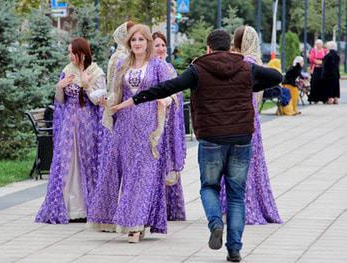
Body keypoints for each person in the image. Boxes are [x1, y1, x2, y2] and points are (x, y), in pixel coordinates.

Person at [111, 29, 282, 262]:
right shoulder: (245, 67)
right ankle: (234, 249)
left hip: (211, 138)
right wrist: (246, 85)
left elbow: (168, 87)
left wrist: (135, 99)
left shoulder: (198, 69)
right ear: (230, 47)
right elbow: (275, 77)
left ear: (208, 48)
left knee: (209, 187)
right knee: (236, 195)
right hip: (241, 138)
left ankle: (214, 224)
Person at [87, 24, 185, 243]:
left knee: (142, 176)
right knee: (126, 173)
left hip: (148, 128)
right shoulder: (123, 64)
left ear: (147, 42)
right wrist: (108, 102)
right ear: (129, 44)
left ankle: (135, 225)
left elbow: (172, 92)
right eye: (134, 40)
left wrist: (165, 100)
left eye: (141, 39)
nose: (137, 43)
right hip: (124, 127)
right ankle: (131, 221)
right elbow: (116, 93)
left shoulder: (158, 66)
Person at [35, 37, 106, 224]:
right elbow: (59, 100)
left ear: (81, 53)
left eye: (71, 52)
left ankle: (85, 208)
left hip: (87, 125)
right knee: (66, 162)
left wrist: (86, 83)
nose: (69, 56)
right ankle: (65, 207)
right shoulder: (67, 71)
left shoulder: (96, 72)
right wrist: (60, 86)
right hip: (69, 124)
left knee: (86, 162)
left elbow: (99, 101)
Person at [220, 25, 282, 225]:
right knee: (252, 160)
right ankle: (251, 202)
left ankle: (241, 205)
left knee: (237, 162)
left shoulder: (244, 62)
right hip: (252, 116)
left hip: (239, 117)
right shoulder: (255, 61)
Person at [152, 31, 187, 221]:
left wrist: (171, 98)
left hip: (170, 121)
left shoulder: (170, 68)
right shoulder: (150, 68)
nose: (161, 48)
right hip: (155, 123)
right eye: (157, 45)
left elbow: (177, 93)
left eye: (163, 45)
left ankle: (171, 208)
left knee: (169, 161)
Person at [308, 39, 328, 104]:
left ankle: (324, 99)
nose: (318, 45)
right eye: (317, 44)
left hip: (323, 69)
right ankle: (315, 99)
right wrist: (317, 61)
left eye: (320, 44)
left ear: (322, 44)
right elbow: (311, 59)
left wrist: (322, 62)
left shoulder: (325, 51)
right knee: (314, 84)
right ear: (315, 44)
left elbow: (327, 58)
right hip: (315, 69)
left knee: (323, 84)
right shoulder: (313, 51)